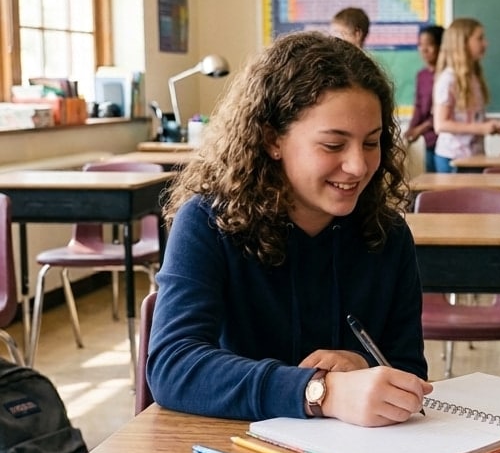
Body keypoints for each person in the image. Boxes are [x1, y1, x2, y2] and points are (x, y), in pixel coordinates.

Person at [147, 31, 432, 426]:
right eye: (333, 145)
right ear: (271, 139)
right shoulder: (208, 222)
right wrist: (318, 391)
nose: (358, 166)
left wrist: (363, 364)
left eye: (372, 142)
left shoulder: (388, 233)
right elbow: (173, 367)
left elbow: (408, 368)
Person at [432, 17, 500, 173]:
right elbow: (440, 125)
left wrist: (490, 124)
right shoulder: (448, 80)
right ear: (463, 43)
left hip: (475, 156)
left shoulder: (473, 77)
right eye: (479, 38)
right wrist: (480, 128)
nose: (485, 43)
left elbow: (471, 118)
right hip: (453, 158)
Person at [405, 24, 444, 173]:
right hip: (428, 141)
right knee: (431, 183)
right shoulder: (422, 75)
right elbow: (419, 106)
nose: (424, 49)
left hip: (444, 140)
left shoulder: (448, 76)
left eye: (429, 45)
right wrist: (411, 129)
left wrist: (420, 129)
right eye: (421, 45)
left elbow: (445, 112)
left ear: (440, 46)